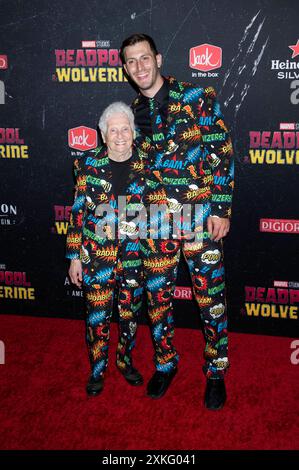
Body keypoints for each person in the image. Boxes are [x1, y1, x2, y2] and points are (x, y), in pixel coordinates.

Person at [120, 33, 234, 409]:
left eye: (144, 58)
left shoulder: (197, 96)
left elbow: (222, 150)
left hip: (201, 220)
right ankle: (166, 363)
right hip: (155, 224)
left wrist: (220, 208)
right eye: (131, 61)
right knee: (158, 301)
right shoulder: (131, 113)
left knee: (210, 299)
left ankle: (215, 371)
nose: (139, 66)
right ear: (125, 68)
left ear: (158, 58)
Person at [66, 102, 145, 396]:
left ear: (133, 132)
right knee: (97, 315)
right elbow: (77, 213)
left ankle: (125, 362)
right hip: (96, 255)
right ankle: (97, 370)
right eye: (114, 130)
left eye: (126, 129)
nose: (121, 135)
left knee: (130, 314)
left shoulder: (147, 162)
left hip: (135, 255)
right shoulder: (85, 164)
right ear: (102, 133)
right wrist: (74, 256)